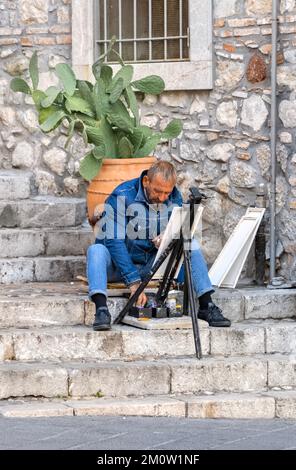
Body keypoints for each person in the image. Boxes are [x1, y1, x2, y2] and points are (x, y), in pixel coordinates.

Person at [87, 161, 231, 331]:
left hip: (152, 265)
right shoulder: (121, 195)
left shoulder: (174, 196)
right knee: (96, 250)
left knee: (189, 242)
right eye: (157, 191)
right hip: (120, 266)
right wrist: (134, 284)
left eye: (166, 193)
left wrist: (166, 237)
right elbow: (114, 241)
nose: (162, 198)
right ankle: (101, 310)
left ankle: (207, 305)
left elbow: (176, 230)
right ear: (146, 181)